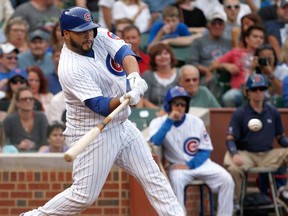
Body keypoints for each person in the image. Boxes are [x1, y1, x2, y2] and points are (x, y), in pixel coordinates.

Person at [20, 6, 184, 216]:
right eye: (81, 32)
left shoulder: (97, 36)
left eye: (89, 29)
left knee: (154, 177)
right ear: (66, 34)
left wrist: (134, 77)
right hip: (92, 132)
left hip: (122, 125)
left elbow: (125, 52)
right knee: (83, 196)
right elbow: (99, 105)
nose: (88, 35)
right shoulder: (70, 67)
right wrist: (125, 97)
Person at [149, 86, 234, 215]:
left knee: (227, 179)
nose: (180, 107)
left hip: (200, 163)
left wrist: (189, 165)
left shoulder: (196, 122)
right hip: (177, 166)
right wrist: (169, 121)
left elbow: (206, 150)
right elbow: (155, 141)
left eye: (183, 104)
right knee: (176, 182)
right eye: (176, 104)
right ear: (168, 105)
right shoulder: (158, 122)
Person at [223, 73, 288, 208]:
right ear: (248, 92)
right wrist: (235, 154)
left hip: (267, 155)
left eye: (261, 89)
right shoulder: (240, 113)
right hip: (246, 154)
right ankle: (236, 202)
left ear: (265, 91)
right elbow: (230, 139)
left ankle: (285, 190)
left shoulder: (273, 112)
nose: (258, 92)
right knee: (232, 164)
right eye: (254, 89)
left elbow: (280, 138)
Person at [210, 25, 265, 107]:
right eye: (255, 36)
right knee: (228, 97)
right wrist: (226, 65)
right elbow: (213, 64)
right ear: (246, 39)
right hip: (239, 90)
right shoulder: (236, 52)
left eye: (261, 37)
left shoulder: (266, 54)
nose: (258, 39)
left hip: (260, 90)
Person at [3, 86, 48, 152]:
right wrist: (18, 146)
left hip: (39, 156)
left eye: (30, 99)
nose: (28, 101)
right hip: (16, 157)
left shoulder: (41, 117)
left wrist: (34, 145)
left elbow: (46, 141)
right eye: (24, 99)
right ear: (17, 102)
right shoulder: (9, 120)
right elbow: (2, 143)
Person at [141, 43, 179, 109]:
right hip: (154, 114)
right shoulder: (147, 75)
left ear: (171, 56)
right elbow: (144, 100)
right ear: (153, 58)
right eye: (158, 54)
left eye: (166, 53)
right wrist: (159, 111)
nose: (163, 56)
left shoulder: (180, 73)